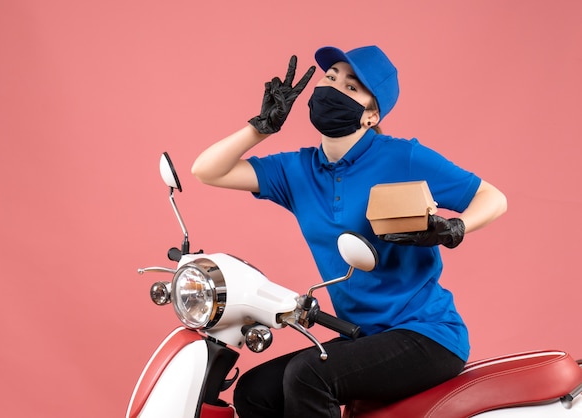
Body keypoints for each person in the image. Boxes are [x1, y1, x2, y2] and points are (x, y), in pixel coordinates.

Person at [191, 45, 507, 418]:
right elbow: (207, 170)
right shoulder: (298, 170)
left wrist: (455, 227)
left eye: (351, 87)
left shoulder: (402, 157)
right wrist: (260, 128)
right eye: (330, 78)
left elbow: (493, 198)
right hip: (361, 336)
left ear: (371, 116)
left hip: (427, 335)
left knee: (308, 376)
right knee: (255, 391)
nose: (334, 88)